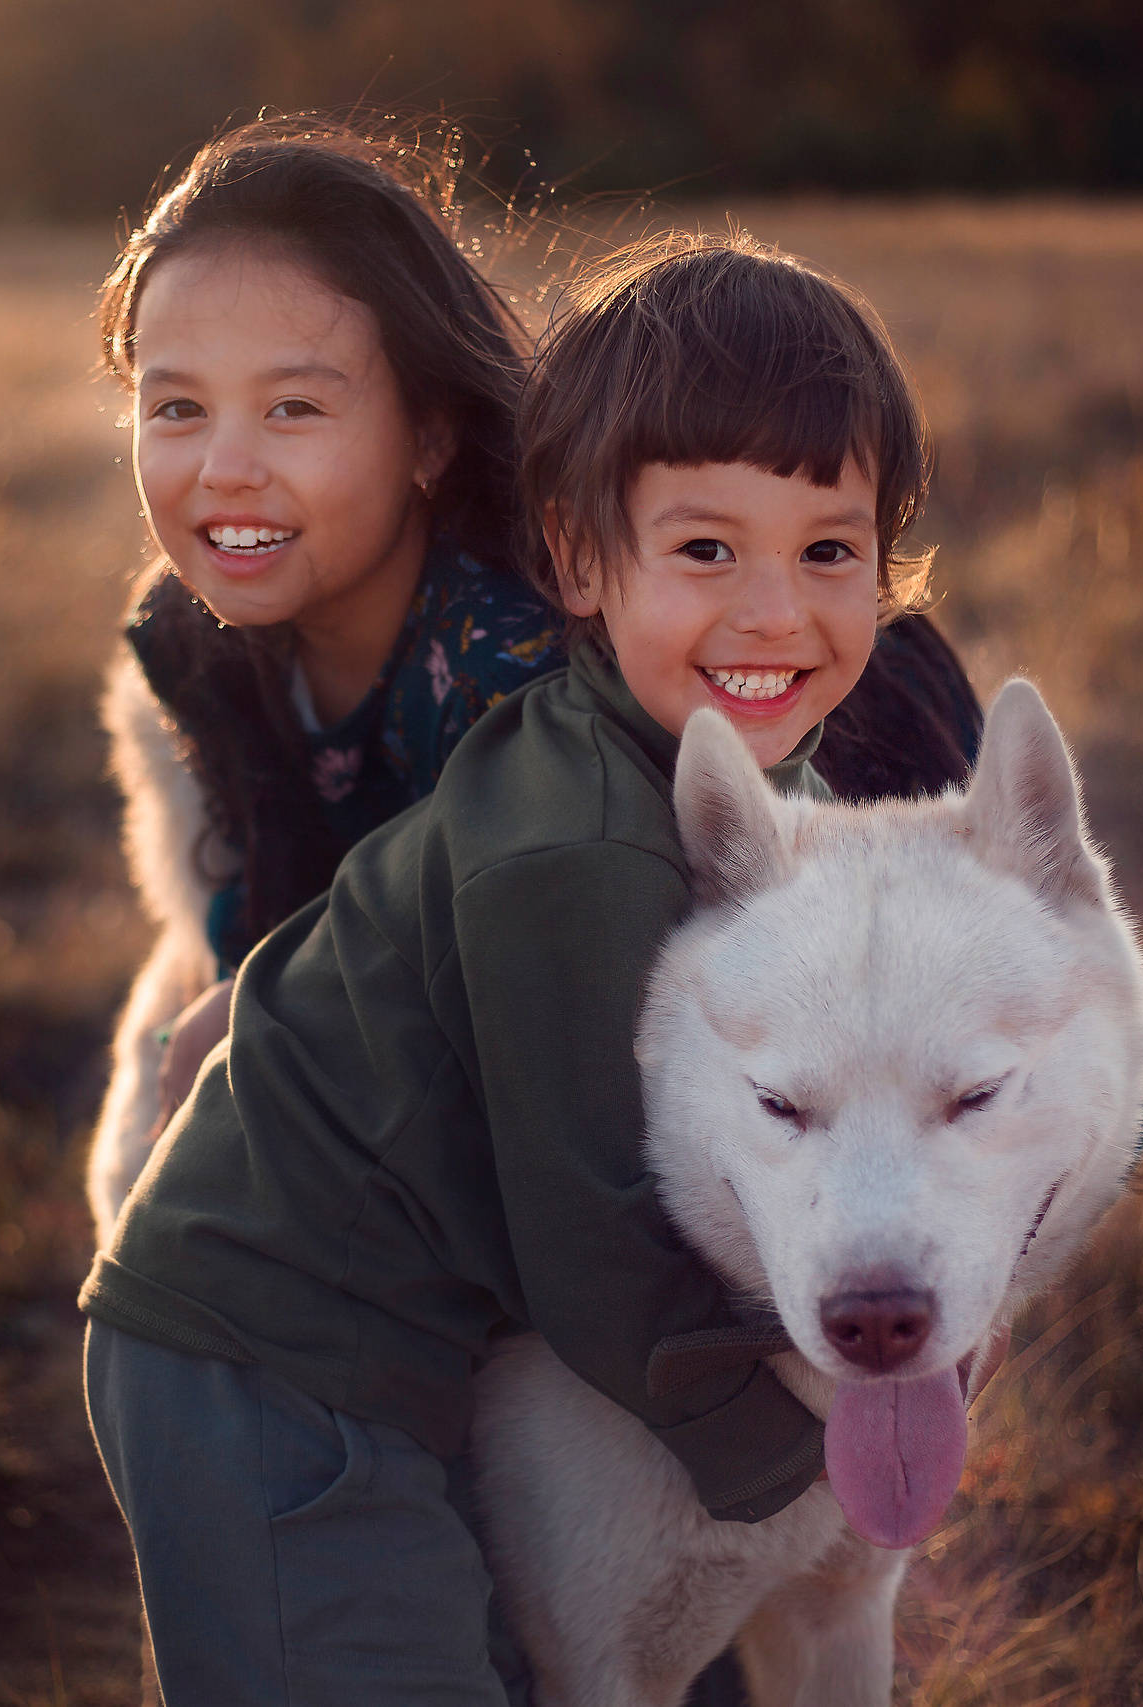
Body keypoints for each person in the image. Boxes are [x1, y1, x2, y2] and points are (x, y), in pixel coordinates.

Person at [81, 229, 946, 1704]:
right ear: (574, 557)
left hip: (397, 1343)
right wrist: (805, 1453)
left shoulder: (738, 775)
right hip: (266, 1345)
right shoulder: (577, 839)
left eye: (828, 553)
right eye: (703, 550)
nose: (772, 612)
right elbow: (592, 1222)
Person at [85, 121, 984, 1246]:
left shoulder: (523, 650)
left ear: (428, 435)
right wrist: (262, 987)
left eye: (293, 409)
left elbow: (614, 994)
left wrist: (286, 1026)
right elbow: (269, 862)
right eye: (175, 408)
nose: (224, 466)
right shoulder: (194, 629)